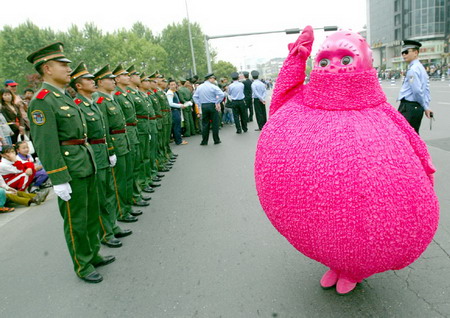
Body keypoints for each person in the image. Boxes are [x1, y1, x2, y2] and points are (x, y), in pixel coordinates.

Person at [27, 42, 114, 283]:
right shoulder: (43, 100)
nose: (68, 69)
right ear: (47, 68)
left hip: (85, 162)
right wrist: (58, 178)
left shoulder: (63, 96)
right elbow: (46, 143)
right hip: (70, 167)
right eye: (62, 65)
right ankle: (82, 264)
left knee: (90, 213)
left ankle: (92, 252)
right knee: (76, 219)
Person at [70, 62, 130, 248]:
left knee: (109, 191)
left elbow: (104, 130)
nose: (92, 81)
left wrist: (110, 150)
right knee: (100, 196)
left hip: (103, 151)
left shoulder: (92, 104)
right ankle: (105, 233)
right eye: (88, 79)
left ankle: (112, 225)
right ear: (78, 85)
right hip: (93, 154)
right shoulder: (78, 105)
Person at [93, 64, 137, 231]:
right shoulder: (100, 100)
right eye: (109, 79)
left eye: (113, 78)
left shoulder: (111, 98)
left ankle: (126, 208)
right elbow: (104, 127)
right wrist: (110, 149)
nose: (113, 81)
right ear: (100, 82)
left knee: (126, 177)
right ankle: (121, 211)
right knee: (117, 182)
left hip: (122, 140)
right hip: (114, 143)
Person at [397, 40, 432, 134]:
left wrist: (425, 106)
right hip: (415, 107)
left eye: (406, 52)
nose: (404, 55)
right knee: (413, 135)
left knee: (404, 135)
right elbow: (425, 89)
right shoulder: (420, 67)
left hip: (409, 107)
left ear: (416, 52)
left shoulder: (413, 69)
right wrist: (425, 106)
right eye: (402, 53)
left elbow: (417, 91)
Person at [193, 73, 224, 145]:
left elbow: (195, 96)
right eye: (213, 78)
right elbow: (221, 94)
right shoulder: (213, 86)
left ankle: (204, 141)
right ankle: (216, 140)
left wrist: (199, 104)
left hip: (204, 106)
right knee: (215, 123)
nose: (214, 79)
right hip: (212, 105)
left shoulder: (200, 87)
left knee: (205, 124)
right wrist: (217, 101)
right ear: (210, 78)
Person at [166, 80, 187, 145]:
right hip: (174, 110)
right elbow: (170, 103)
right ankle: (178, 141)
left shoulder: (174, 92)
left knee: (177, 125)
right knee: (176, 126)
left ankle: (178, 139)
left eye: (174, 84)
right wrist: (180, 105)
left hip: (176, 110)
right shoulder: (170, 93)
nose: (173, 86)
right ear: (169, 85)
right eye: (171, 85)